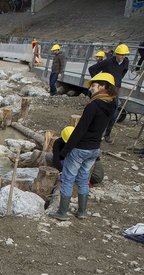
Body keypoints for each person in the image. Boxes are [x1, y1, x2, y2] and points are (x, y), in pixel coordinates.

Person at [49, 73, 116, 221]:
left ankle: (62, 213)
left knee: (67, 178)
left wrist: (65, 151)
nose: (91, 88)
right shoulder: (111, 104)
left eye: (93, 85)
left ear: (103, 86)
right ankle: (82, 211)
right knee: (83, 178)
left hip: (81, 148)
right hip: (94, 149)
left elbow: (80, 130)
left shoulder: (93, 105)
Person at [89, 43, 129, 143]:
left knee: (114, 112)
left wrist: (118, 80)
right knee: (100, 109)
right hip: (106, 89)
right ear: (116, 54)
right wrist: (99, 81)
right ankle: (94, 132)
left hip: (116, 89)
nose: (122, 57)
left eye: (124, 55)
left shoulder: (126, 62)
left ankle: (107, 134)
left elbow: (124, 71)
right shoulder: (107, 62)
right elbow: (92, 69)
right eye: (120, 54)